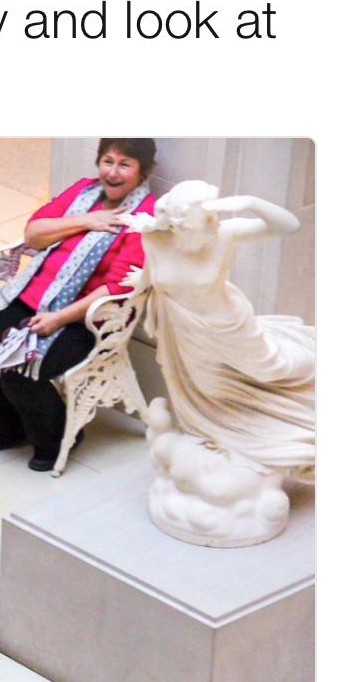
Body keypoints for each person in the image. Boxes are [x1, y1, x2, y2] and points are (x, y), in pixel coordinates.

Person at [0, 138, 158, 471]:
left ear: (143, 170)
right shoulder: (82, 193)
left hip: (83, 318)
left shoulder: (143, 219)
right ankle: (9, 428)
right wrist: (86, 220)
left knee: (20, 369)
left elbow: (117, 287)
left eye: (125, 164)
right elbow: (35, 233)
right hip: (29, 297)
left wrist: (58, 319)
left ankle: (57, 437)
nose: (113, 172)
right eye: (108, 161)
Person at [120, 180, 315, 480]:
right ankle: (244, 444)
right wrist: (142, 284)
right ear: (179, 225)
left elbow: (289, 226)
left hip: (228, 325)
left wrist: (251, 201)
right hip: (185, 331)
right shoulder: (156, 239)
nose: (214, 224)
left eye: (214, 216)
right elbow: (154, 274)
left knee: (274, 368)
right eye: (205, 220)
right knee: (209, 393)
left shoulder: (224, 234)